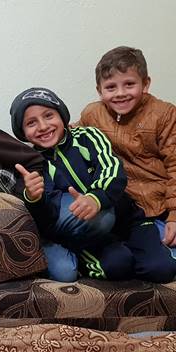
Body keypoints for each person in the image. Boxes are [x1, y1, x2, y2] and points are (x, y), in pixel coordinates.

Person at [10, 86, 176, 282]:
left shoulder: (87, 136)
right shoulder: (33, 162)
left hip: (128, 220)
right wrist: (34, 197)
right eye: (31, 123)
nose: (43, 126)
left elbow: (112, 169)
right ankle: (86, 260)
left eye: (49, 115)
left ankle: (157, 245)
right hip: (91, 237)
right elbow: (48, 218)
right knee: (118, 265)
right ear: (22, 132)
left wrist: (95, 197)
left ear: (62, 116)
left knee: (161, 270)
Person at [79, 46, 176, 256]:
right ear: (99, 90)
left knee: (163, 258)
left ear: (145, 84)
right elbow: (70, 137)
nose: (121, 93)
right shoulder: (92, 114)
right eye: (111, 87)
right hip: (121, 204)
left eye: (129, 84)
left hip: (160, 203)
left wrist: (174, 215)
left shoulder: (164, 114)